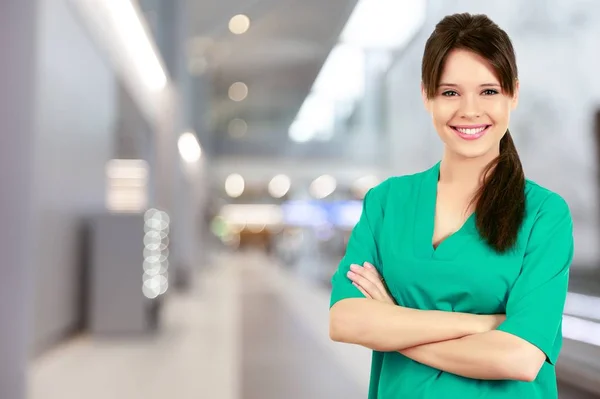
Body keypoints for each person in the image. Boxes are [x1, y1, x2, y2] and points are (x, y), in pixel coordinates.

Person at [328, 12, 574, 399]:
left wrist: (392, 324)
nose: (470, 110)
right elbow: (344, 319)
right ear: (427, 96)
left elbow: (519, 358)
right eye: (450, 92)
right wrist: (483, 326)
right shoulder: (387, 201)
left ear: (514, 95)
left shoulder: (544, 213)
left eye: (489, 91)